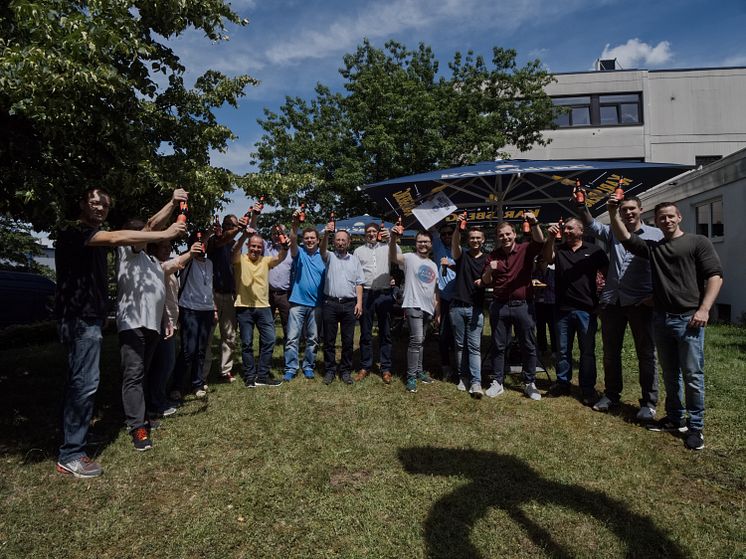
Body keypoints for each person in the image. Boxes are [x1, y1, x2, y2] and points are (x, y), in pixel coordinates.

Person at [54, 188, 186, 476]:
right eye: (93, 202)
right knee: (85, 383)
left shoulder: (137, 256)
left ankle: (78, 440)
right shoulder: (76, 231)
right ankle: (71, 453)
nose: (100, 208)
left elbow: (148, 231)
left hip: (91, 318)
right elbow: (125, 235)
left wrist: (173, 205)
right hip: (80, 318)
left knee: (83, 382)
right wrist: (167, 233)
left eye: (104, 205)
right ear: (81, 203)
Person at [608, 199, 723, 450]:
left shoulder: (697, 242)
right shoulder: (654, 248)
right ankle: (674, 418)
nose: (667, 220)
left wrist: (704, 309)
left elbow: (715, 276)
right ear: (656, 222)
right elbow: (625, 236)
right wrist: (612, 212)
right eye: (662, 218)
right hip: (661, 319)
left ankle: (695, 427)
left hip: (689, 319)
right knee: (670, 374)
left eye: (671, 216)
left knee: (693, 375)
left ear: (679, 217)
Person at [575, 196, 661, 420]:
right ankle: (612, 395)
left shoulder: (656, 235)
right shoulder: (613, 230)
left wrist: (655, 296)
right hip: (613, 300)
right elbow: (591, 225)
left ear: (641, 210)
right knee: (611, 352)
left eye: (632, 209)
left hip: (641, 301)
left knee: (647, 353)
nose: (629, 213)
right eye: (624, 210)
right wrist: (581, 204)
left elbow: (664, 268)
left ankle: (649, 402)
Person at [543, 217, 608, 405]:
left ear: (582, 231)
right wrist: (550, 239)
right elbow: (548, 259)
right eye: (565, 229)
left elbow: (607, 274)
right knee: (563, 350)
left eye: (571, 229)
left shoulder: (594, 250)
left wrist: (602, 301)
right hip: (562, 309)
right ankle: (563, 383)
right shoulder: (560, 249)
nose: (567, 231)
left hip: (587, 309)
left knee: (587, 351)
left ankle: (587, 388)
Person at [481, 214, 544, 400]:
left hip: (522, 305)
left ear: (514, 234)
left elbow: (540, 241)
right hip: (499, 305)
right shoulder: (493, 255)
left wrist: (534, 223)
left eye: (508, 234)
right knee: (499, 346)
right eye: (501, 235)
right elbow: (485, 281)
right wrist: (490, 270)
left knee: (528, 344)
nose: (505, 238)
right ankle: (498, 382)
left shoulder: (525, 249)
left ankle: (530, 382)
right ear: (498, 238)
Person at [232, 225, 289, 387]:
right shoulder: (240, 259)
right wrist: (243, 236)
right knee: (247, 343)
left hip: (263, 307)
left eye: (259, 247)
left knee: (270, 340)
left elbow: (280, 257)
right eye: (253, 246)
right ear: (248, 246)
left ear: (262, 249)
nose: (256, 249)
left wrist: (284, 247)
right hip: (244, 307)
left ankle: (262, 376)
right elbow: (234, 251)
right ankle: (250, 377)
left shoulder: (265, 261)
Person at [390, 226, 440, 393]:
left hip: (427, 308)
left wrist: (436, 310)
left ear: (431, 244)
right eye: (420, 242)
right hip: (413, 305)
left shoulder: (433, 265)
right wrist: (392, 238)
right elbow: (393, 257)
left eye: (426, 242)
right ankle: (411, 376)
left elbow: (434, 291)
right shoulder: (409, 258)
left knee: (421, 340)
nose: (423, 244)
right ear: (415, 243)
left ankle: (419, 372)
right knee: (416, 339)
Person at [353, 222, 399, 383]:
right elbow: (355, 274)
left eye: (374, 231)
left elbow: (398, 258)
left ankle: (385, 368)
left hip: (384, 293)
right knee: (365, 333)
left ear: (378, 233)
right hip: (366, 294)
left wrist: (391, 239)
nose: (371, 234)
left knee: (385, 332)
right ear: (365, 234)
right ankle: (365, 365)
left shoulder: (387, 247)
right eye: (369, 231)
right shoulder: (358, 251)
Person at [320, 224, 364, 385]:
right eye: (337, 239)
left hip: (349, 304)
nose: (340, 242)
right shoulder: (329, 256)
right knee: (329, 341)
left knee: (348, 340)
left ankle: (345, 370)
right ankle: (330, 370)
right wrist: (326, 234)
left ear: (349, 242)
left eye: (343, 240)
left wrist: (359, 302)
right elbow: (322, 249)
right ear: (334, 242)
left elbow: (359, 283)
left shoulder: (355, 261)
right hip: (330, 303)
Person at [283, 215, 326, 381]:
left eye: (312, 238)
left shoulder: (324, 256)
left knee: (313, 339)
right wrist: (294, 225)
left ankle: (308, 366)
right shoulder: (298, 253)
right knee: (292, 338)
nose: (309, 240)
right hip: (297, 303)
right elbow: (292, 240)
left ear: (318, 240)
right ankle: (291, 368)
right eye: (306, 238)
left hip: (317, 304)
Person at [203, 214, 244, 383]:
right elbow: (222, 239)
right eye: (229, 225)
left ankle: (225, 370)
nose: (231, 228)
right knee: (208, 336)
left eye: (233, 225)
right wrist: (239, 229)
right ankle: (202, 374)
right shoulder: (215, 241)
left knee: (230, 335)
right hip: (213, 293)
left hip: (230, 294)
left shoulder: (235, 245)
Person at [449, 217, 487, 398]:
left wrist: (486, 279)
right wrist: (458, 228)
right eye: (472, 238)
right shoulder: (461, 255)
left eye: (478, 238)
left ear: (483, 240)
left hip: (476, 308)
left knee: (474, 346)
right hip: (457, 307)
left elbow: (492, 279)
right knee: (459, 345)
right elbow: (455, 243)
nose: (475, 241)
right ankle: (462, 377)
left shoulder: (488, 259)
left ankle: (476, 382)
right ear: (468, 240)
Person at [176, 231, 217, 398]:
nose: (202, 246)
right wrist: (205, 234)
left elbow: (209, 287)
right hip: (189, 309)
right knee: (188, 350)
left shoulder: (210, 263)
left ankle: (197, 384)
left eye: (204, 243)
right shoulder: (187, 260)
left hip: (206, 310)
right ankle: (177, 386)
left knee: (201, 349)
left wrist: (213, 308)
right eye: (198, 242)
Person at [431, 223, 456, 379]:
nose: (447, 236)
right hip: (443, 298)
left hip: (459, 298)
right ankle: (446, 366)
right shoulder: (438, 248)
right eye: (444, 234)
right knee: (443, 335)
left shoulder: (462, 251)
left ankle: (460, 366)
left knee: (459, 335)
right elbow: (433, 229)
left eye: (450, 234)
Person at [265, 223, 294, 342]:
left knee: (288, 325)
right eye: (274, 234)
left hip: (285, 294)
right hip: (268, 294)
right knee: (266, 325)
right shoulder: (266, 249)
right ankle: (265, 354)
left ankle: (289, 354)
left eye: (280, 233)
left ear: (285, 235)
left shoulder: (292, 251)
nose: (277, 236)